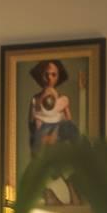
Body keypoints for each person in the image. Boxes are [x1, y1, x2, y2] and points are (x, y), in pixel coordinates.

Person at [28, 59, 81, 205]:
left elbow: (68, 120)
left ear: (58, 76)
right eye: (46, 74)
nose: (50, 78)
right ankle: (49, 196)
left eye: (53, 74)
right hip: (43, 139)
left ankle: (73, 195)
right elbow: (33, 122)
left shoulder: (62, 100)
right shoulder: (36, 99)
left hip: (59, 136)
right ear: (41, 76)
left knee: (64, 166)